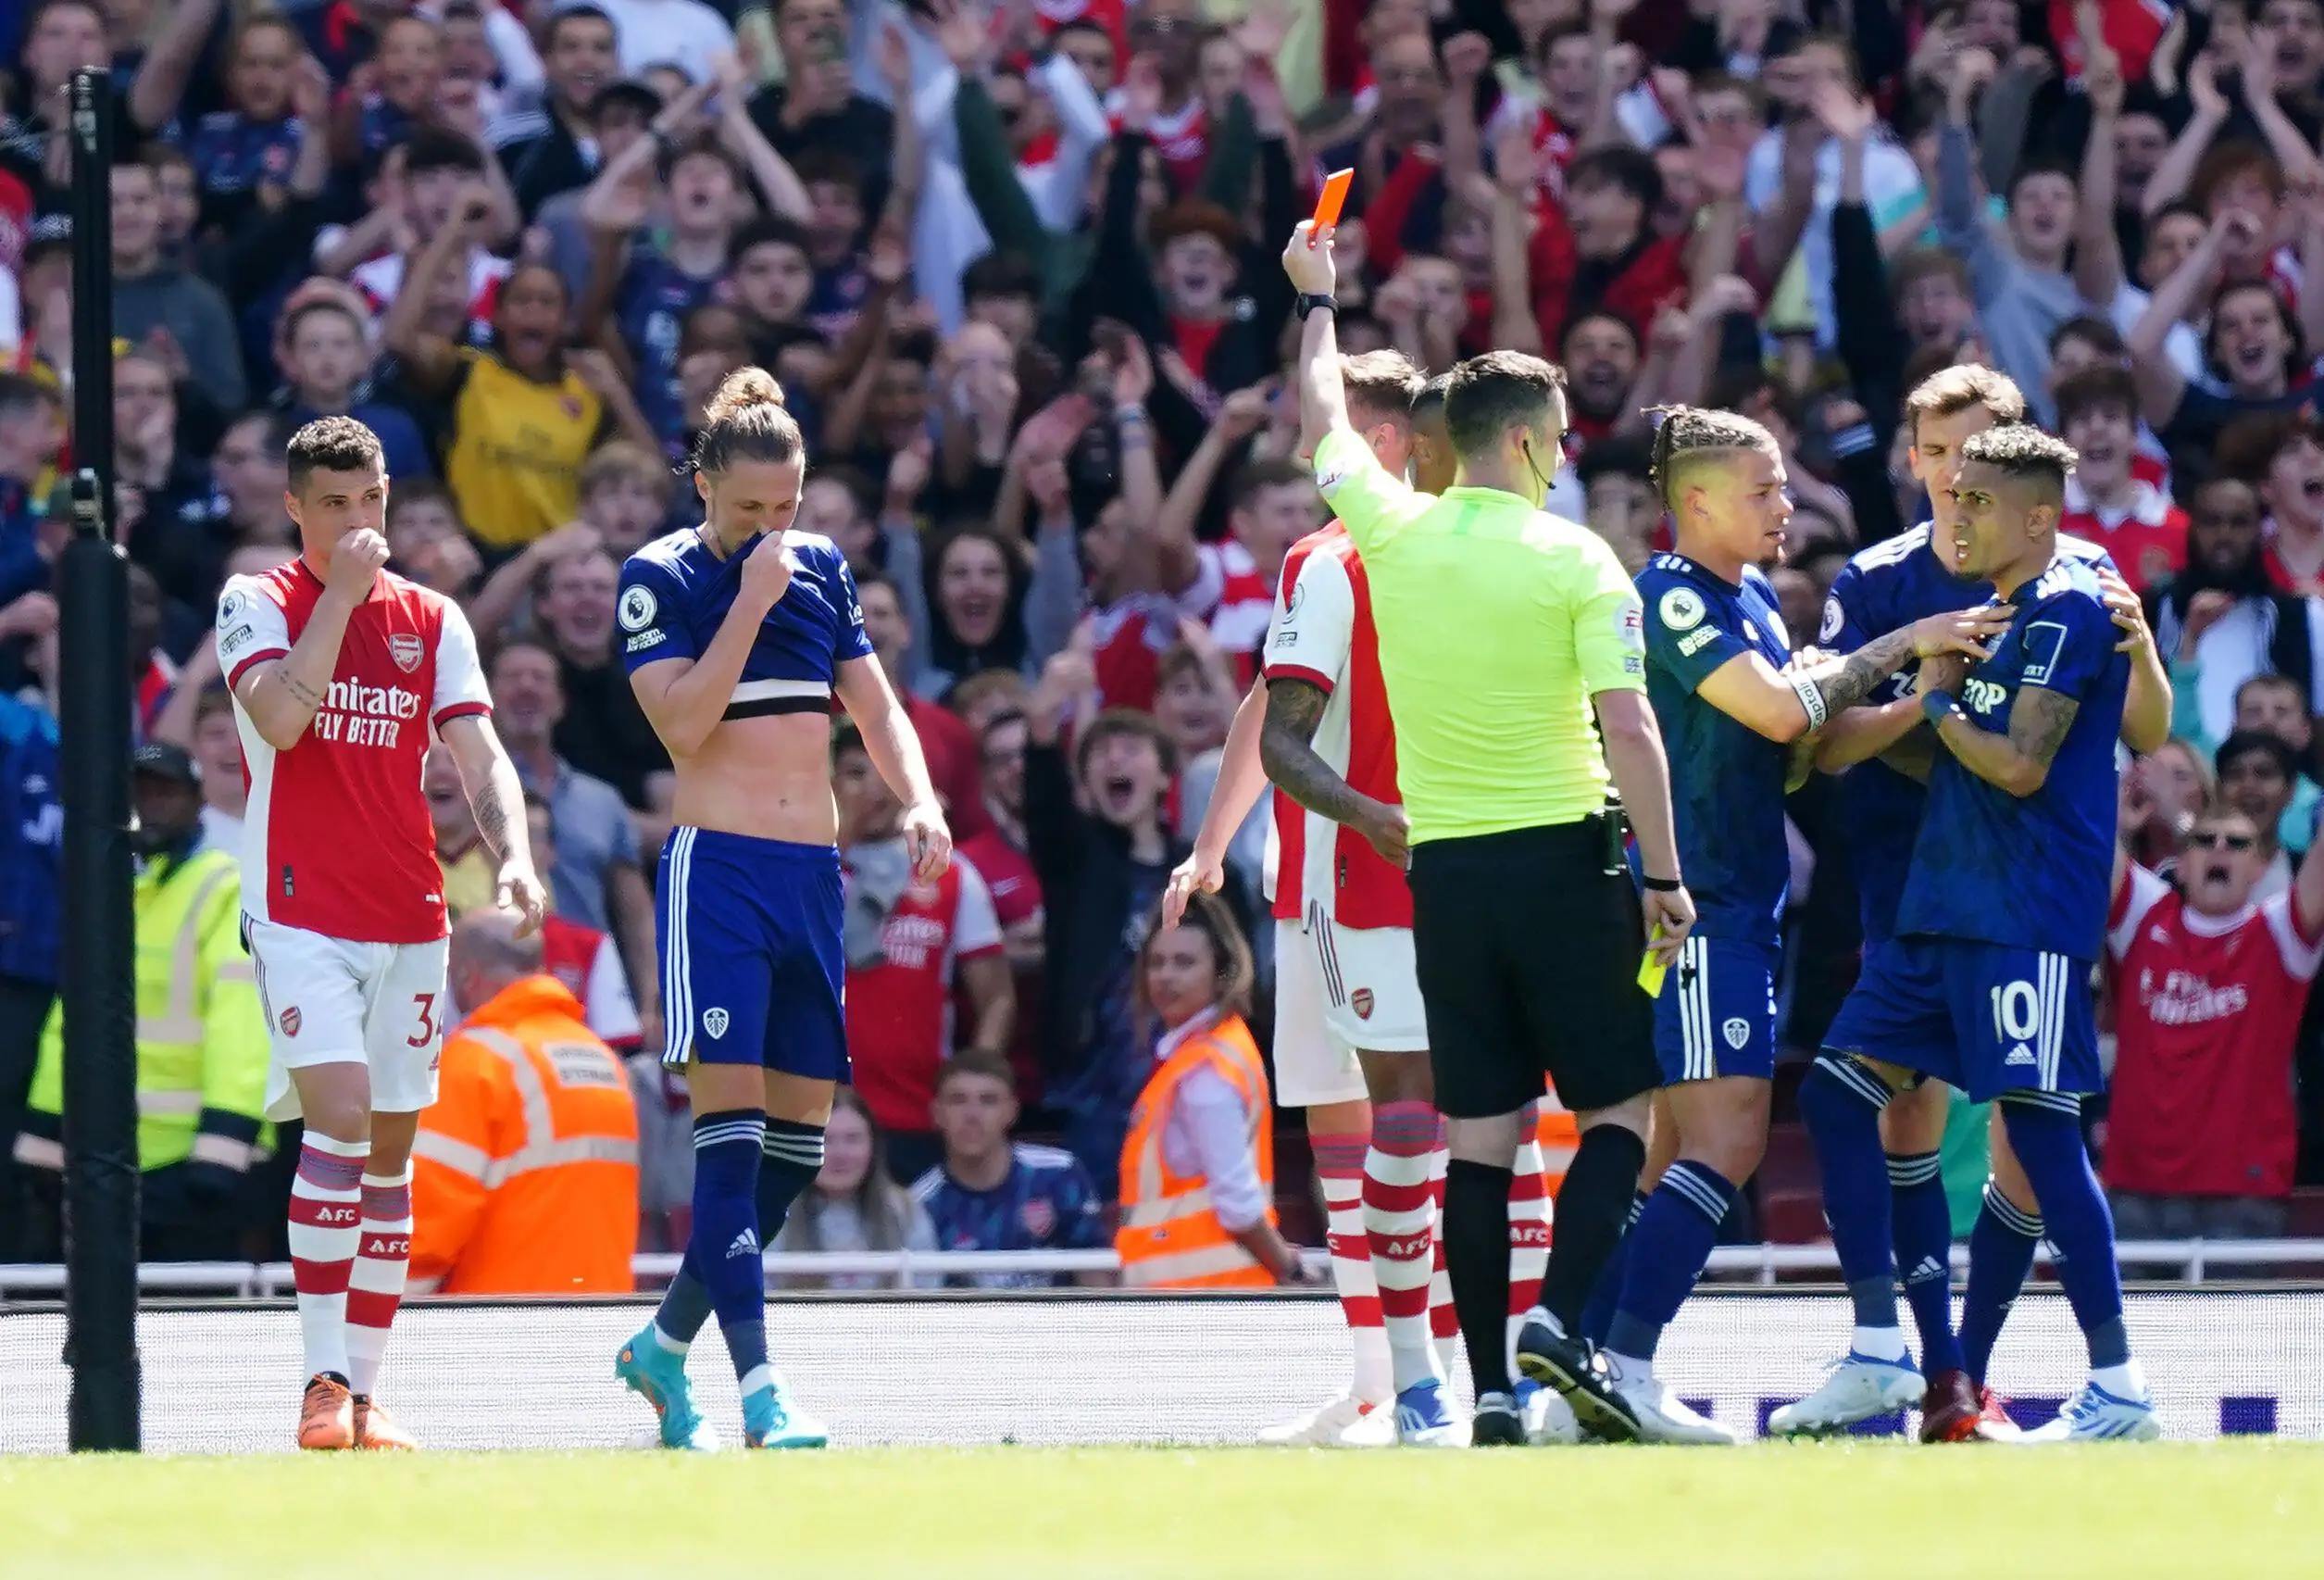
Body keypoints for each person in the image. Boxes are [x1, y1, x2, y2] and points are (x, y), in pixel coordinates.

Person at [1280, 219, 1689, 1441]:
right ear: (1522, 441)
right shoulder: (1580, 559)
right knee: (1617, 1113)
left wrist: (1318, 300)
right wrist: (1661, 876)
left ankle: (1495, 1394)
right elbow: (1630, 732)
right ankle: (1556, 1324)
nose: (1562, 460)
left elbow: (1323, 418)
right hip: (1564, 861)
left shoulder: (1387, 532)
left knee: (1475, 1137)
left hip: (1440, 880)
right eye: (1556, 440)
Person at [1168, 348, 1555, 1448]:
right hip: (1332, 886)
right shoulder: (1347, 561)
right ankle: (1385, 1377)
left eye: (1329, 429)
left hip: (1386, 881)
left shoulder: (1382, 555)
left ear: (1392, 440)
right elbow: (1267, 706)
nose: (1308, 449)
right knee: (1377, 1129)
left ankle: (1452, 1373)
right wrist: (1210, 846)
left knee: (1443, 1123)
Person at [1610, 408, 2005, 1444]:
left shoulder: (1743, 595)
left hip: (1740, 905)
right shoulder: (1666, 597)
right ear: (1693, 500)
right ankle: (1619, 1363)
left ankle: (1585, 1357)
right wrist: (1904, 646)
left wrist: (1896, 704)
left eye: (1785, 487)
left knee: (1663, 1159)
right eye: (1763, 489)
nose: (1785, 506)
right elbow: (1786, 716)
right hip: (1694, 908)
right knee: (1727, 1140)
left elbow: (1786, 750)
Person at [1795, 365, 2171, 1440]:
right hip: (1913, 893)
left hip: (2019, 902)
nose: (1954, 489)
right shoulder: (1875, 581)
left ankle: (2086, 1380)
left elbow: (2097, 739)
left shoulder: (2075, 585)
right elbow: (1819, 744)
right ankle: (1894, 1351)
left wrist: (1944, 699)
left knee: (2034, 1140)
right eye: (1941, 466)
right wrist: (1922, 682)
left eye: (1975, 471)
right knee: (1845, 1094)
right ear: (1913, 458)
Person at [609, 368, 951, 1452]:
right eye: (750, 506)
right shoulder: (656, 577)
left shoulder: (825, 571)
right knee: (729, 1138)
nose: (772, 527)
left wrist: (921, 798)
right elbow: (680, 727)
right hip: (719, 873)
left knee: (795, 1153)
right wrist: (749, 598)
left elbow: (874, 701)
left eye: (788, 506)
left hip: (812, 875)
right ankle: (760, 1389)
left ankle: (661, 1347)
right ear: (703, 483)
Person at [214, 416, 545, 1453]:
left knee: (393, 1153)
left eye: (371, 501)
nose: (359, 523)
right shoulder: (256, 600)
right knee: (342, 1120)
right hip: (299, 901)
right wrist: (343, 598)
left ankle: (362, 1392)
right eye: (335, 505)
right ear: (296, 509)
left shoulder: (434, 618)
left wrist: (515, 855)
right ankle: (316, 1377)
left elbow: (479, 753)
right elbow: (277, 720)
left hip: (409, 911)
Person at [14, 744, 269, 1262]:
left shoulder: (227, 886)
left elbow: (240, 1019)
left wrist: (223, 1141)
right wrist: (44, 1134)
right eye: (140, 792)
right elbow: (71, 1019)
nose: (149, 805)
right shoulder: (123, 891)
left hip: (192, 1163)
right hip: (108, 1158)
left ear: (198, 800)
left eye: (164, 792)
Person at [408, 907, 641, 1296]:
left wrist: (375, 1307)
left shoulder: (475, 1062)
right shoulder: (602, 1061)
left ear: (465, 974)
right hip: (603, 1315)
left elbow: (427, 1229)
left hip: (501, 1326)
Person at [1116, 891, 1307, 1290]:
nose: (1165, 976)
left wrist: (1291, 1272)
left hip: (1206, 1299)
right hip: (1202, 1294)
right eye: (1156, 963)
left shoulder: (1205, 1073)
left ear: (1222, 973)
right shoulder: (1214, 1053)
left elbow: (1238, 1206)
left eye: (1184, 963)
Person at [912, 1050, 1109, 1290]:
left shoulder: (1058, 1173)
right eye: (958, 1100)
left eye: (988, 1100)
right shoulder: (920, 1205)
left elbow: (1095, 1272)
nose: (972, 1115)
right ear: (937, 1113)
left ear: (1012, 1111)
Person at [769, 1087, 941, 1291]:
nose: (840, 1154)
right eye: (825, 1140)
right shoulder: (772, 1214)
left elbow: (929, 1291)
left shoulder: (905, 1209)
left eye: (853, 1139)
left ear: (873, 1146)